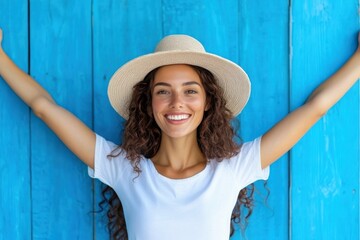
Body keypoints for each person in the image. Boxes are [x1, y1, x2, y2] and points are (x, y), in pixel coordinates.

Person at [0, 29, 359, 240]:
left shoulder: (234, 168)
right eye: (163, 91)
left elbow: (315, 107)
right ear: (148, 103)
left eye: (190, 90)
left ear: (207, 103)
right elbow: (44, 106)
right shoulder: (124, 169)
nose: (177, 103)